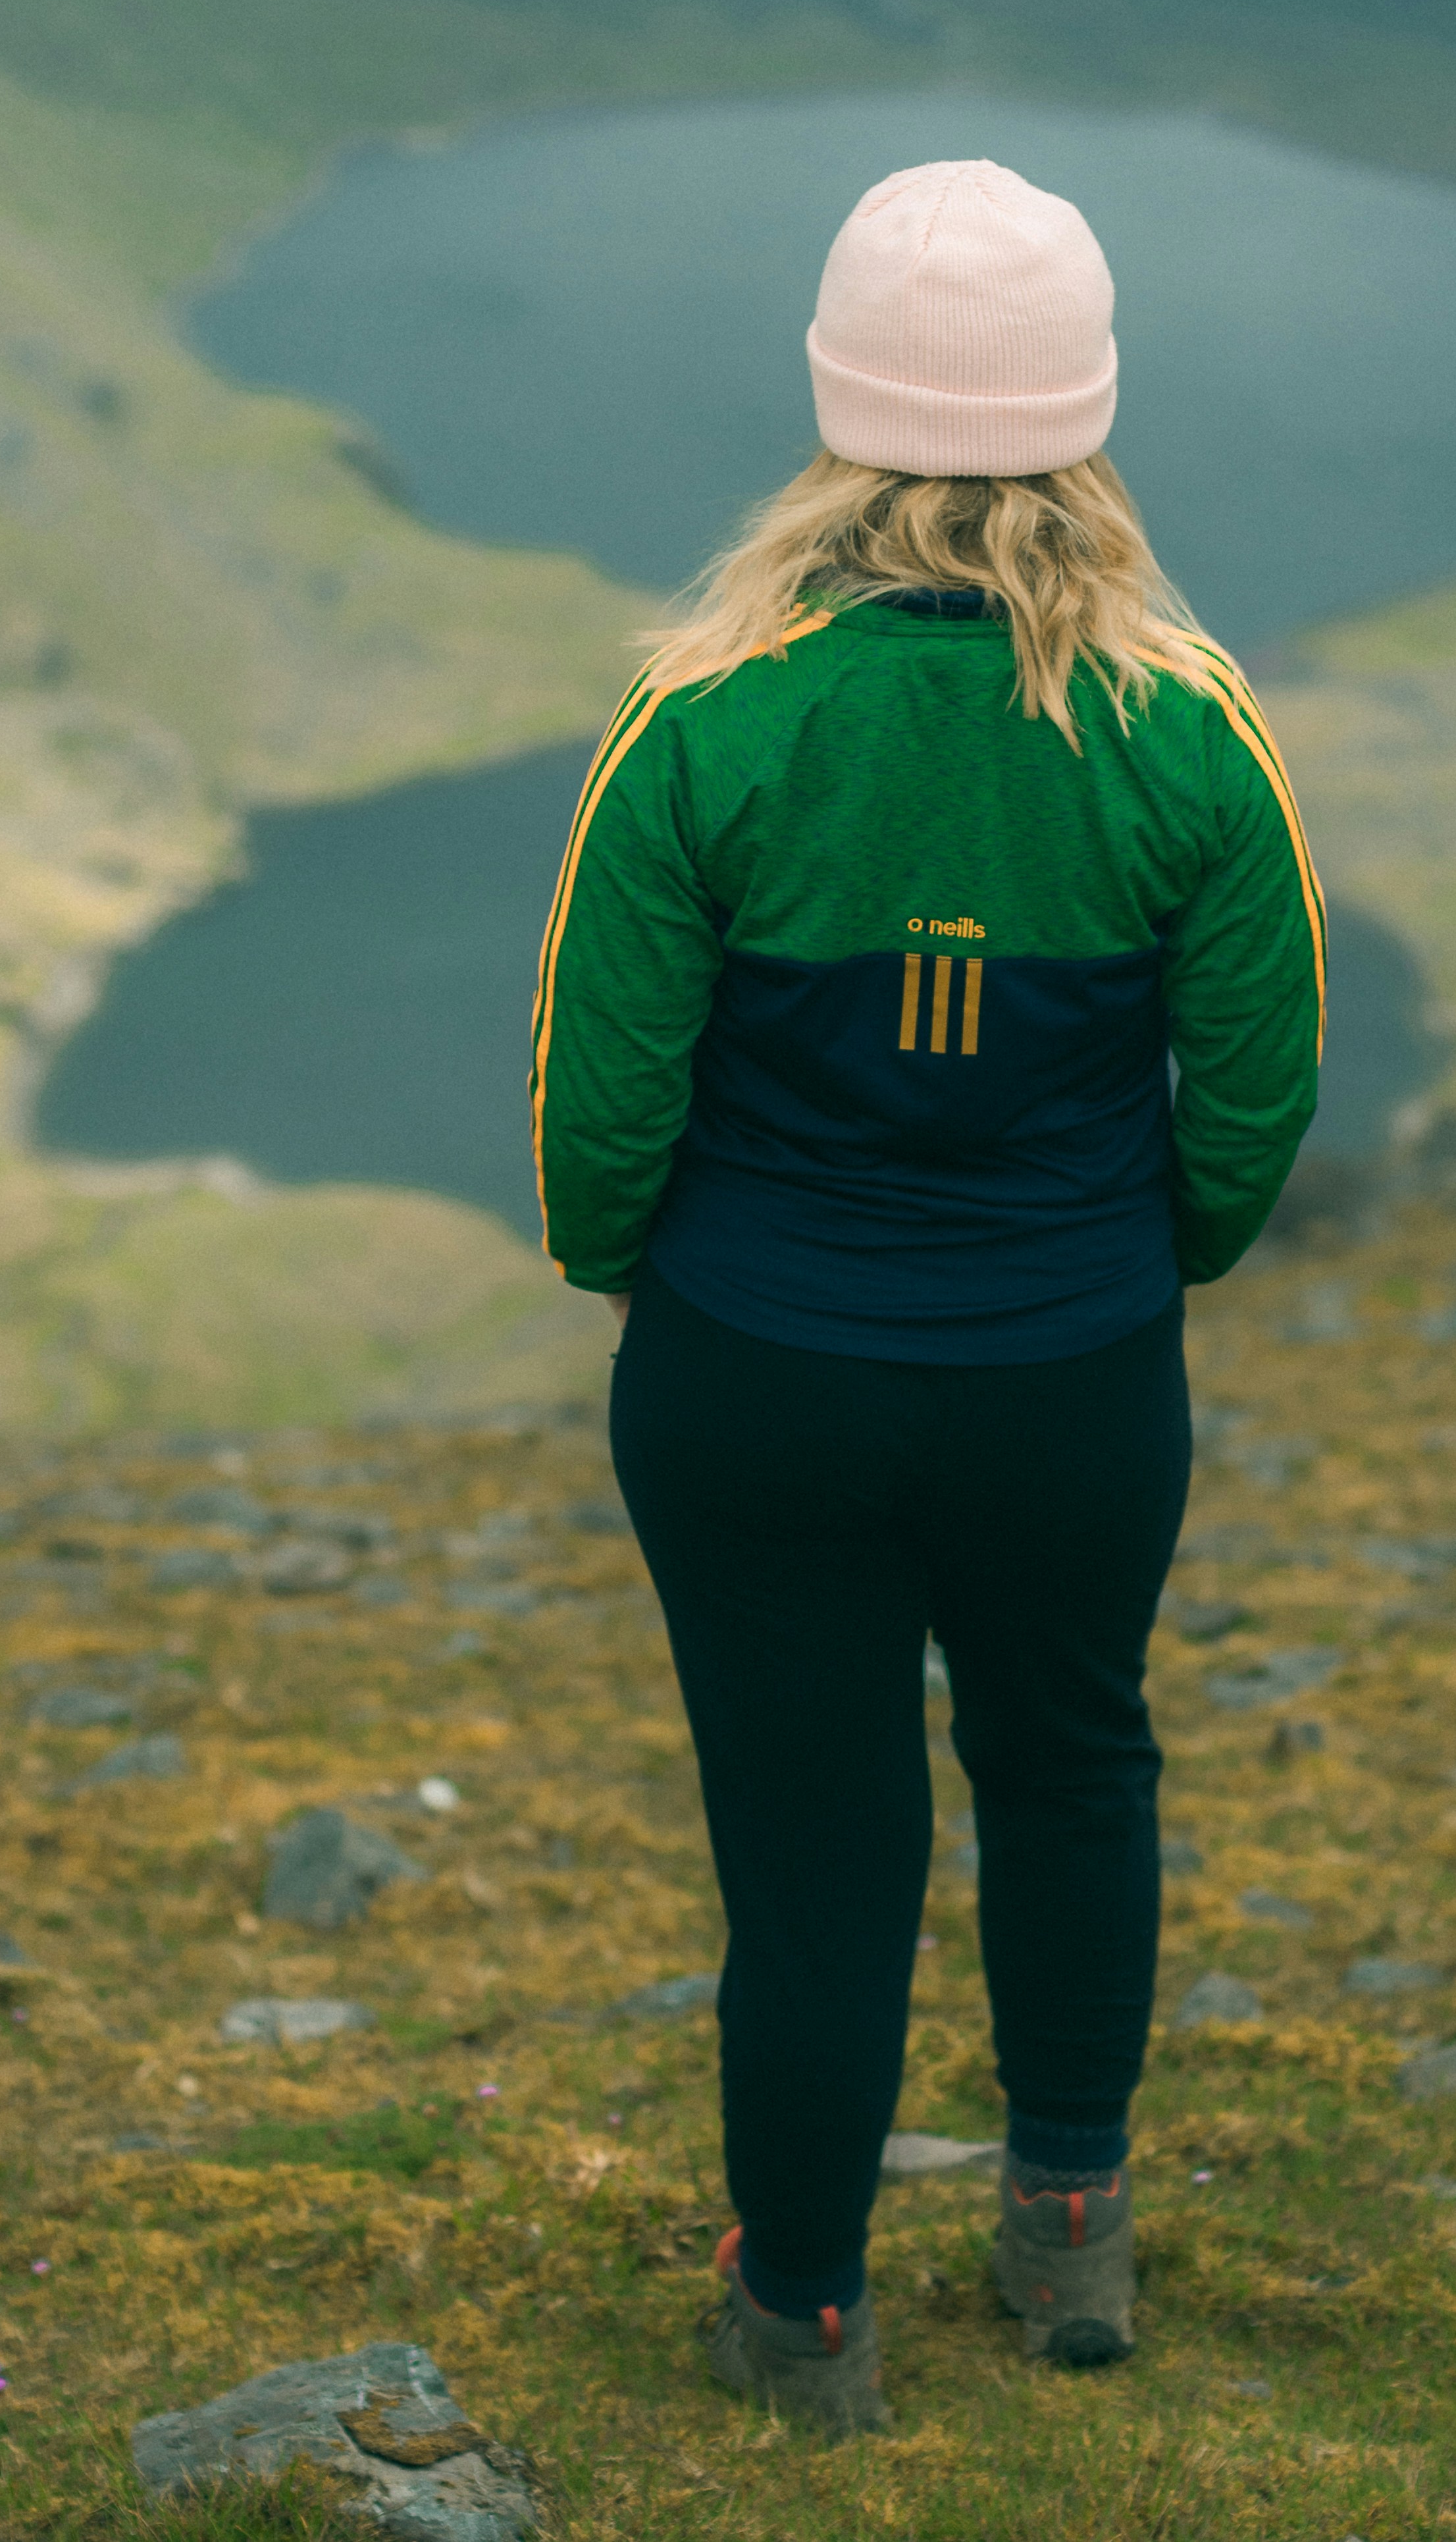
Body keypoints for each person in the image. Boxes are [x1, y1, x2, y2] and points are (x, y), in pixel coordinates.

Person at [529, 157, 1324, 2434]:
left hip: (754, 1376)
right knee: (1074, 1762)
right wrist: (1117, 1263)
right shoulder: (1190, 732)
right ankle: (1069, 2222)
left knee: (813, 1838)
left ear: (838, 411)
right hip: (1068, 1370)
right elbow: (1254, 1112)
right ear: (1084, 413)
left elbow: (602, 1121)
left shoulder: (703, 723)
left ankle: (800, 2312)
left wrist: (659, 1285)